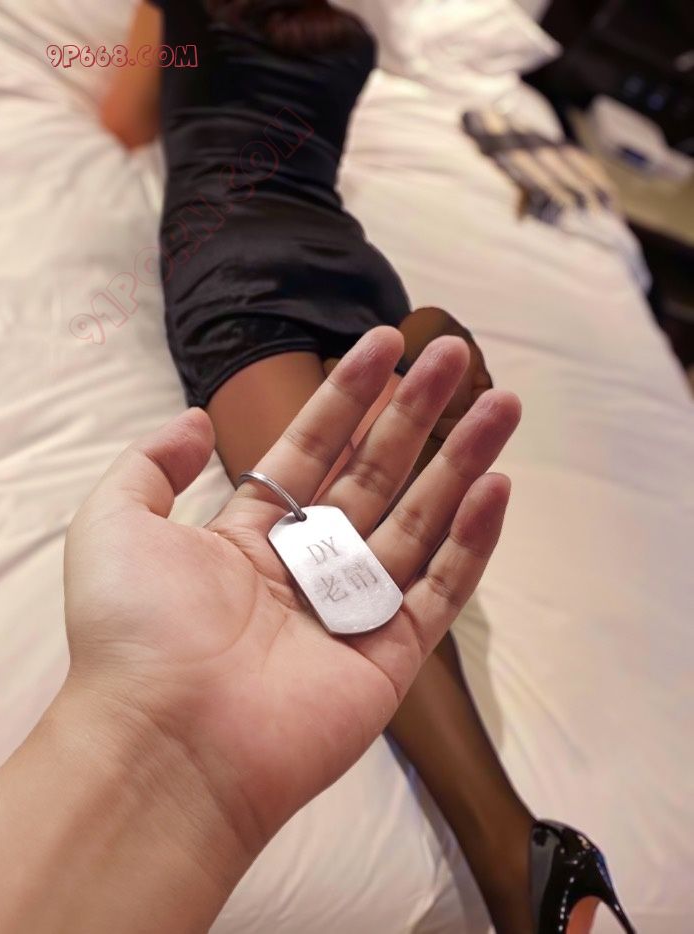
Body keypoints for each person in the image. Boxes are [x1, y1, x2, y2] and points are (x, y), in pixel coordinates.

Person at [99, 4, 635, 932]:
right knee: (350, 525)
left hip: (230, 252)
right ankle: (420, 355)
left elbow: (122, 122)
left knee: (322, 539)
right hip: (351, 263)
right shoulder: (349, 37)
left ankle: (516, 858)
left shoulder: (181, 9)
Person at [0, 329, 516, 933]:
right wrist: (145, 733)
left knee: (413, 357)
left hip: (308, 313)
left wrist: (141, 739)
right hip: (243, 311)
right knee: (396, 361)